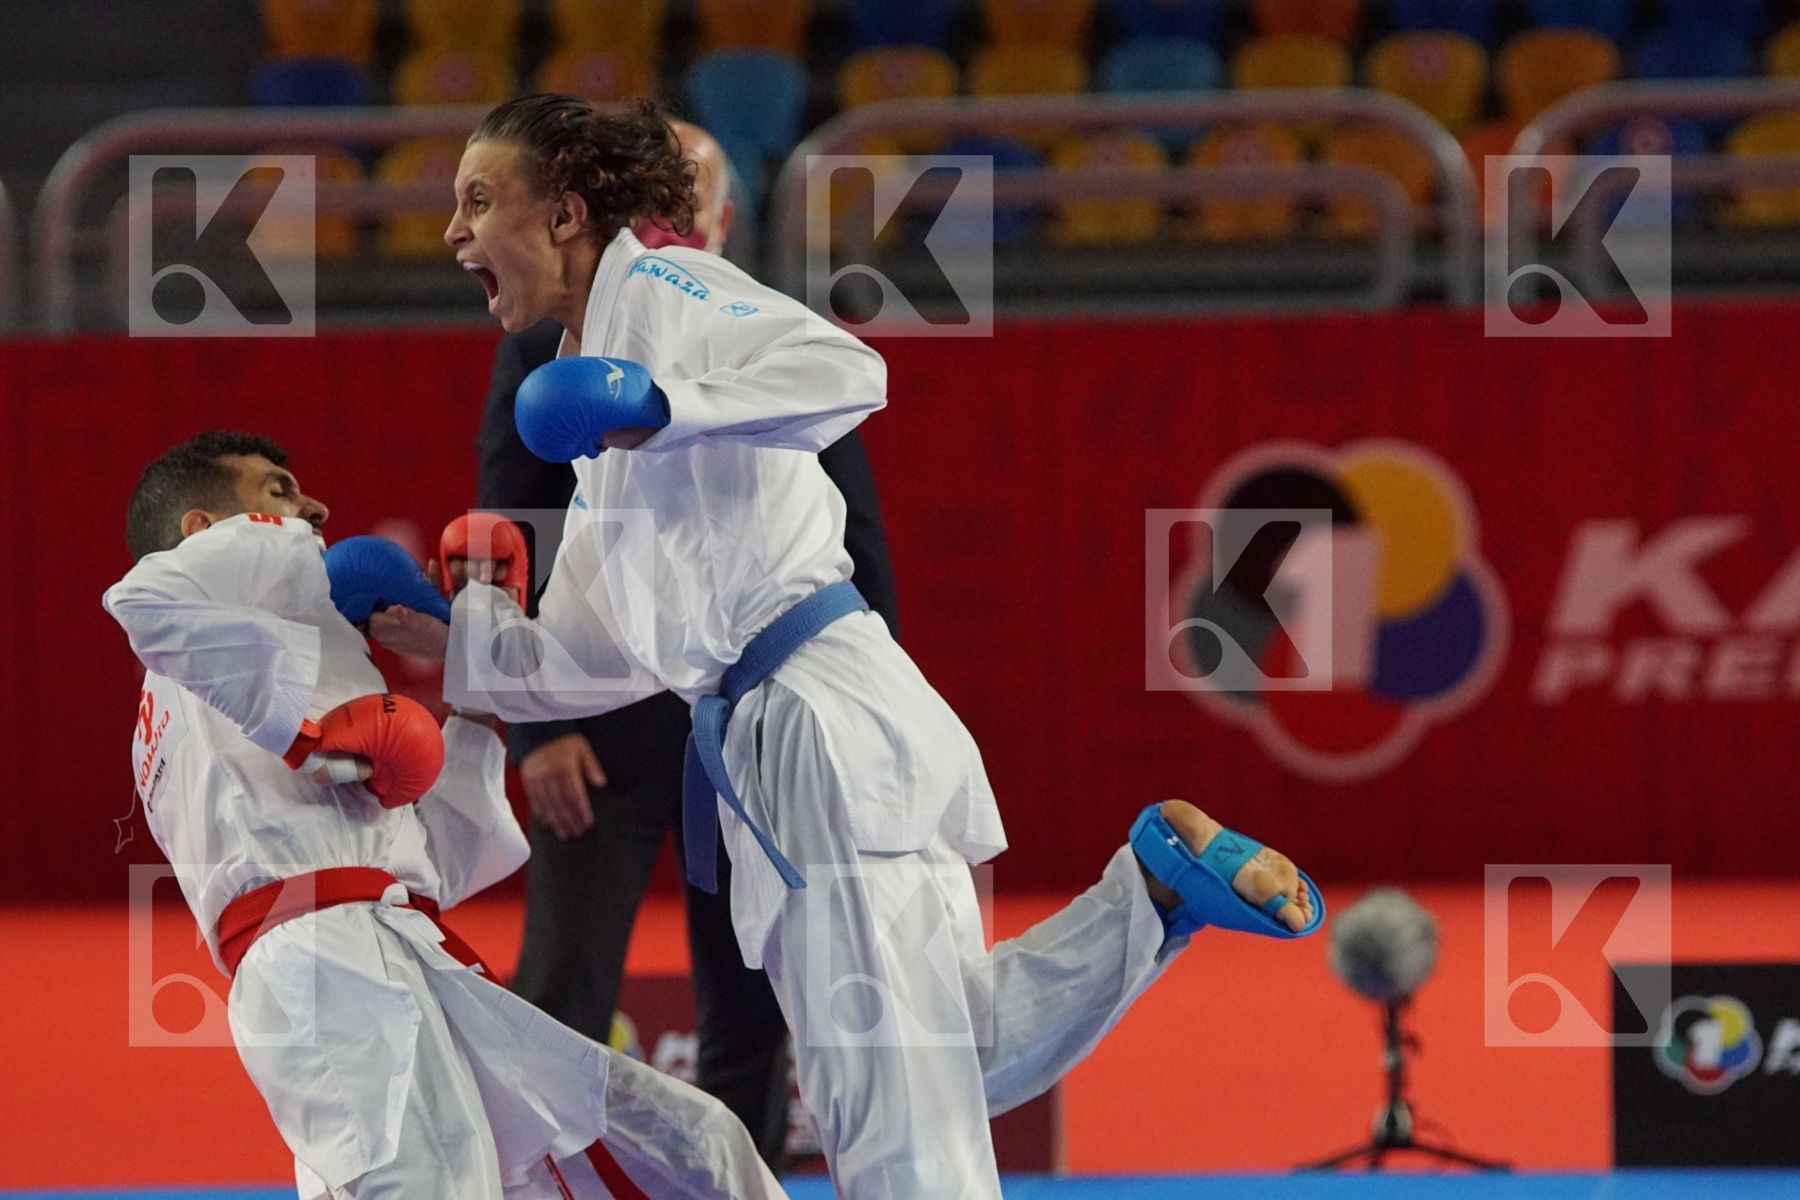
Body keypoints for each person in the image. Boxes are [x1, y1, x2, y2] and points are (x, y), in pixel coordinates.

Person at [380, 95, 1324, 1198]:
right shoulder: (600, 420)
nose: (453, 233)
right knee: (940, 1049)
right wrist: (461, 636)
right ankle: (1148, 896)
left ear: (568, 216)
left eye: (479, 200)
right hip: (796, 731)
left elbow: (844, 372)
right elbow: (596, 653)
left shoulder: (663, 289)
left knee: (892, 1123)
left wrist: (660, 401)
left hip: (817, 719)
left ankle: (1146, 899)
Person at [104, 431, 790, 1199]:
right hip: (317, 961)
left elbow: (439, 865)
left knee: (694, 1147)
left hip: (395, 940)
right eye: (278, 490)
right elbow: (141, 597)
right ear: (203, 531)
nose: (313, 506)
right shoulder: (190, 621)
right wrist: (308, 732)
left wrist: (470, 688)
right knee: (424, 1183)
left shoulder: (253, 653)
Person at [477, 118, 901, 1170]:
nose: (679, 217)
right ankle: (553, 1188)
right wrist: (539, 732)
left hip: (756, 717)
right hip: (606, 723)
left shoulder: (741, 334)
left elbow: (853, 527)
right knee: (564, 979)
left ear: (720, 217)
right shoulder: (548, 346)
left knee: (754, 990)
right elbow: (521, 531)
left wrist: (869, 707)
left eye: (696, 197)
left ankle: (744, 1185)